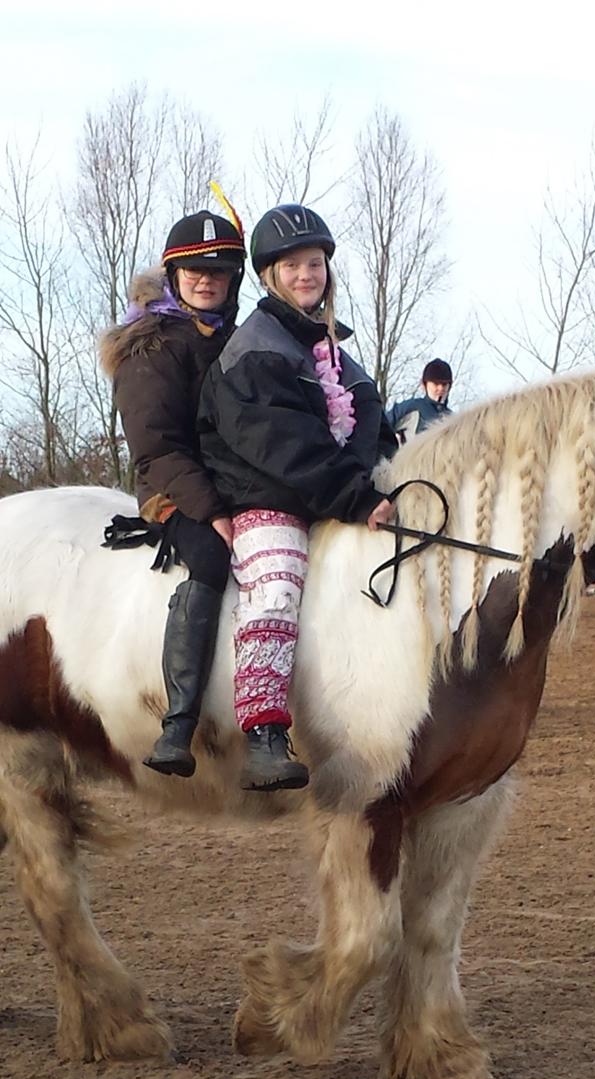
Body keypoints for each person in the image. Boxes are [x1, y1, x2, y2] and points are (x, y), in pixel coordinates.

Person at [197, 203, 397, 791]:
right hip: (267, 495)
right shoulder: (253, 349)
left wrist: (382, 486)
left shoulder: (335, 352)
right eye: (293, 266)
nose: (307, 274)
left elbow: (371, 427)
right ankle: (263, 733)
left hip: (333, 495)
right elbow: (283, 446)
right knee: (279, 580)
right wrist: (354, 497)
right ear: (268, 276)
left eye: (315, 263)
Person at [100, 208, 245, 778]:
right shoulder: (150, 347)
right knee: (210, 557)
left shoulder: (236, 340)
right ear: (175, 276)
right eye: (194, 272)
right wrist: (210, 511)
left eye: (218, 270)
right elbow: (155, 448)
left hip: (235, 485)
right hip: (173, 490)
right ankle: (179, 721)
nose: (206, 280)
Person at [387, 359, 453, 442]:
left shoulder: (453, 419)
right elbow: (381, 426)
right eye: (436, 384)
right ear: (424, 384)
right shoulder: (410, 408)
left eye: (444, 384)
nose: (440, 388)